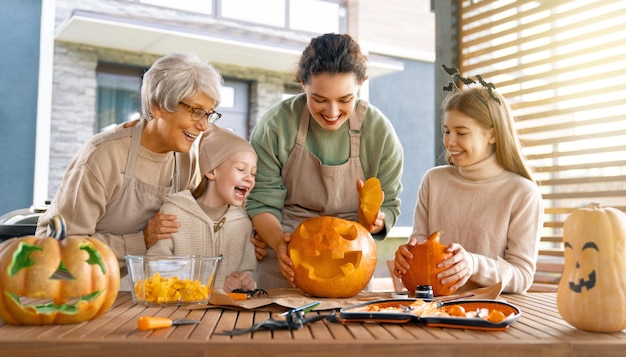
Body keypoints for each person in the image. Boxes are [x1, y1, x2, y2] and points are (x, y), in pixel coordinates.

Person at [36, 53, 224, 278]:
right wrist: (141, 240)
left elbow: (194, 222)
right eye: (196, 111)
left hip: (132, 287)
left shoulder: (187, 158)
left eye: (209, 114)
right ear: (157, 106)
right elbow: (63, 245)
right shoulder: (103, 155)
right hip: (65, 285)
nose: (203, 125)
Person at [245, 33, 404, 289]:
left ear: (361, 84)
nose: (332, 113)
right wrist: (279, 244)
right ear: (302, 84)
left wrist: (378, 219)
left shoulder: (379, 132)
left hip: (350, 259)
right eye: (319, 100)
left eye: (345, 100)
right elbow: (261, 200)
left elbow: (391, 204)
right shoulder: (277, 124)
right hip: (288, 255)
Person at [393, 73, 544, 295]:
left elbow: (521, 276)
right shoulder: (434, 181)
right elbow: (419, 247)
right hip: (432, 311)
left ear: (492, 135)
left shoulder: (523, 193)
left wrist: (473, 265)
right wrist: (406, 257)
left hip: (486, 314)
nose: (448, 141)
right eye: (446, 131)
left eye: (461, 132)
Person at [147, 125, 258, 292]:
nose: (249, 178)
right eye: (241, 169)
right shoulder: (173, 214)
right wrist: (212, 282)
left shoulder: (243, 223)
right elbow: (157, 270)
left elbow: (247, 269)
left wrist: (246, 280)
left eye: (253, 173)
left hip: (227, 316)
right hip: (177, 312)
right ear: (212, 171)